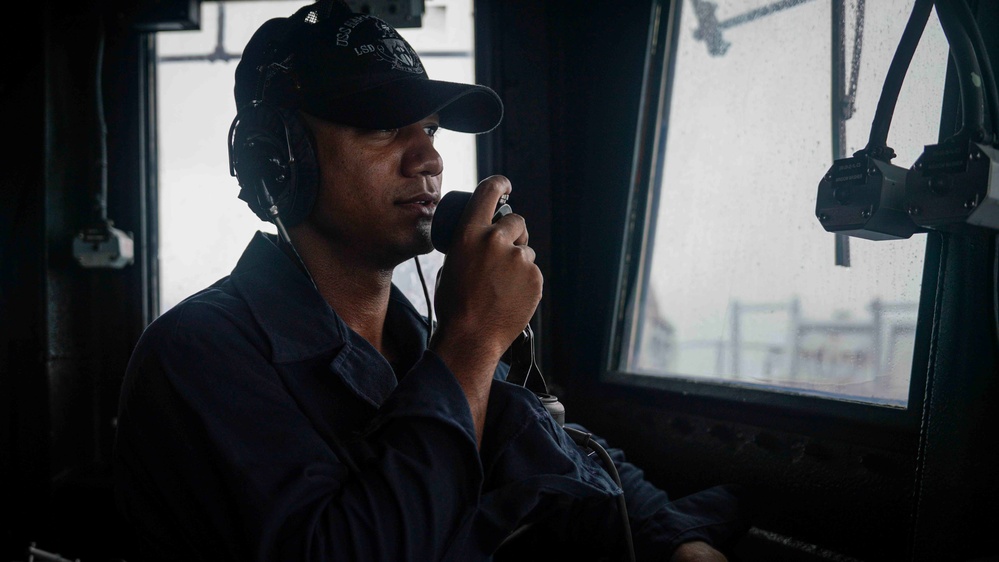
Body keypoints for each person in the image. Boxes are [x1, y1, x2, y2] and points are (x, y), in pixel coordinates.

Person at [112, 1, 748, 560]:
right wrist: (472, 338)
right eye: (383, 127)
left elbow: (548, 442)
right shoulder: (198, 354)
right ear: (279, 158)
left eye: (432, 130)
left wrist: (674, 540)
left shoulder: (413, 342)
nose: (430, 160)